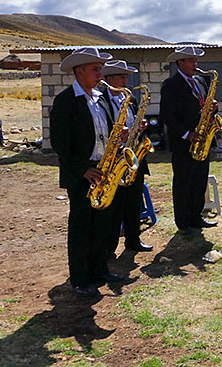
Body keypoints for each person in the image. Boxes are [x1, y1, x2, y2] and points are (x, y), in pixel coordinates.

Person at [49, 47, 125, 297]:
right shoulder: (65, 100)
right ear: (79, 71)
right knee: (82, 227)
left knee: (102, 224)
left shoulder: (100, 97)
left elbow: (107, 129)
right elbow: (60, 143)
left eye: (99, 68)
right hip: (83, 174)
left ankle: (99, 269)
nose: (100, 73)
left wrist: (120, 134)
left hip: (104, 169)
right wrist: (83, 169)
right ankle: (80, 278)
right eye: (95, 69)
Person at [159, 46, 218, 231]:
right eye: (191, 61)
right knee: (183, 183)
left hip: (202, 141)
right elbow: (167, 116)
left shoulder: (200, 81)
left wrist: (211, 108)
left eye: (195, 61)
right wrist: (186, 134)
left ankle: (196, 216)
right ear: (180, 63)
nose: (195, 64)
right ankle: (183, 223)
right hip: (184, 143)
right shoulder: (171, 84)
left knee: (200, 181)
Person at [99, 60, 152, 254]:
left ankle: (133, 240)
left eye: (126, 76)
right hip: (113, 160)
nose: (125, 80)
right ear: (110, 79)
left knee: (133, 203)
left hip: (133, 158)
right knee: (113, 208)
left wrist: (141, 127)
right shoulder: (101, 101)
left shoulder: (130, 100)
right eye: (121, 77)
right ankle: (108, 248)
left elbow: (135, 122)